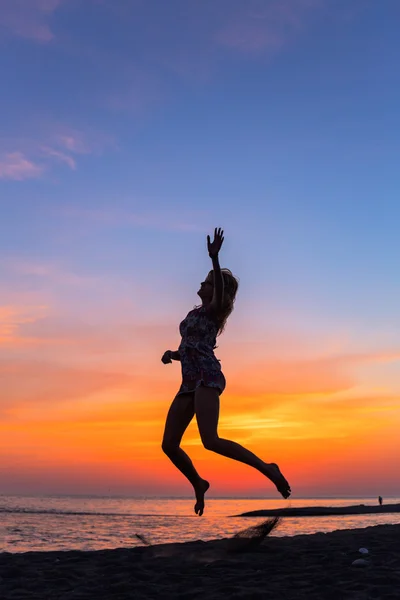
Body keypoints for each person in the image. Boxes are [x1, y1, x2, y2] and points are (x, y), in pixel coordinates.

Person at [161, 228, 291, 516]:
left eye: (208, 283)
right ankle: (199, 483)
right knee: (169, 445)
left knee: (211, 441)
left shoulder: (215, 310)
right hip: (189, 381)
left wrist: (215, 260)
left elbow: (218, 294)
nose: (203, 284)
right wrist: (173, 354)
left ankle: (267, 468)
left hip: (207, 377)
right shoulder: (195, 313)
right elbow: (191, 345)